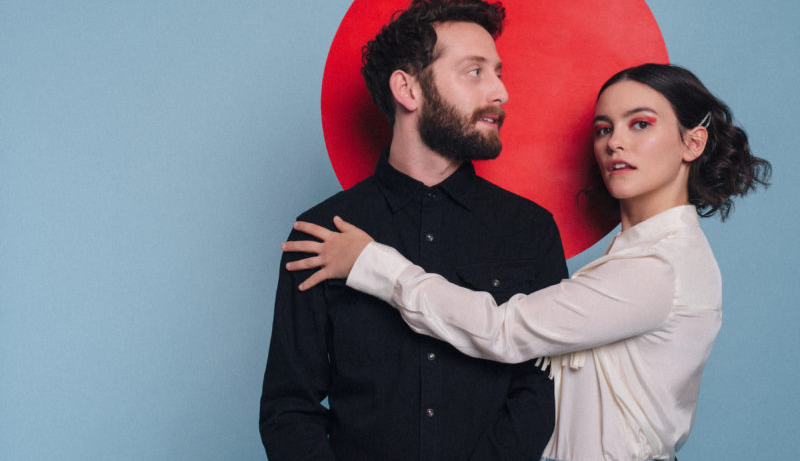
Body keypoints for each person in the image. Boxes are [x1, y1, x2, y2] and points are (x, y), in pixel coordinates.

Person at [283, 63, 772, 460]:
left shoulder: (659, 269)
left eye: (640, 124)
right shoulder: (634, 258)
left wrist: (374, 264)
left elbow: (504, 332)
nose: (614, 142)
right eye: (604, 128)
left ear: (693, 142)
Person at [259, 0, 568, 460]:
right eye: (474, 72)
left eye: (498, 73)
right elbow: (289, 406)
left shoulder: (530, 229)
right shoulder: (320, 231)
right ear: (408, 90)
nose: (500, 92)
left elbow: (539, 389)